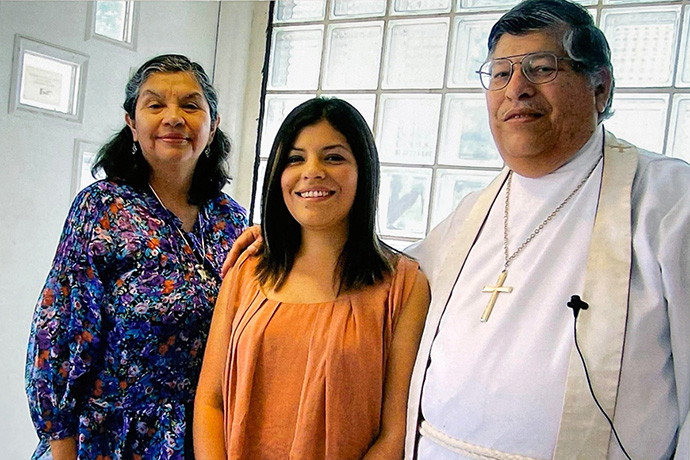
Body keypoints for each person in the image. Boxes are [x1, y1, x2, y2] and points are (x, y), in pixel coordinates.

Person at [223, 1, 690, 458]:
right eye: (501, 73)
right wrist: (291, 233)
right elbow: (376, 264)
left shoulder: (668, 203)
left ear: (600, 88)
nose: (517, 89)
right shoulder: (474, 213)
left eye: (541, 68)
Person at [25, 54, 247, 460]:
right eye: (155, 104)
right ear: (132, 122)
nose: (174, 118)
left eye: (191, 105)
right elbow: (57, 333)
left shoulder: (232, 220)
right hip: (110, 438)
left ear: (212, 126)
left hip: (206, 435)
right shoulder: (101, 209)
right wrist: (61, 446)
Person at [193, 97, 430, 460]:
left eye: (333, 157)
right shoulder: (247, 270)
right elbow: (210, 402)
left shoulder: (404, 286)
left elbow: (394, 431)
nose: (313, 171)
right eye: (295, 158)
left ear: (363, 170)